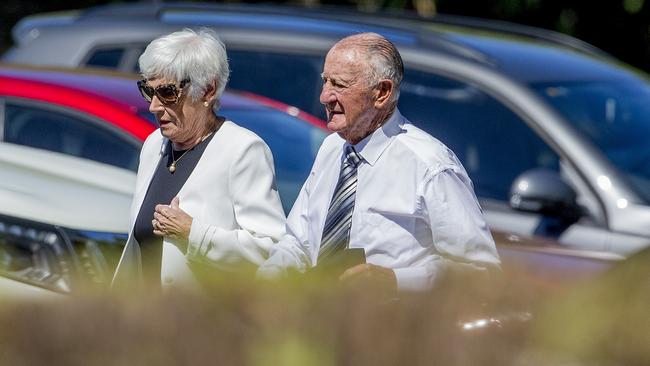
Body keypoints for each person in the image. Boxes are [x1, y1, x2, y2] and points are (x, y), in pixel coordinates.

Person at [258, 33, 500, 291]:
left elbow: (482, 271)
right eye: (325, 81)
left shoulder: (430, 165)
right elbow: (298, 242)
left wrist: (395, 281)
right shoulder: (332, 148)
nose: (324, 96)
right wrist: (264, 282)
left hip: (396, 325)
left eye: (339, 85)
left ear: (382, 92)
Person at [112, 29, 285, 290]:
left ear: (207, 90)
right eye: (148, 91)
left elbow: (270, 248)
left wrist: (194, 234)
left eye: (167, 92)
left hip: (201, 322)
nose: (154, 106)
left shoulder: (242, 149)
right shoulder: (154, 145)